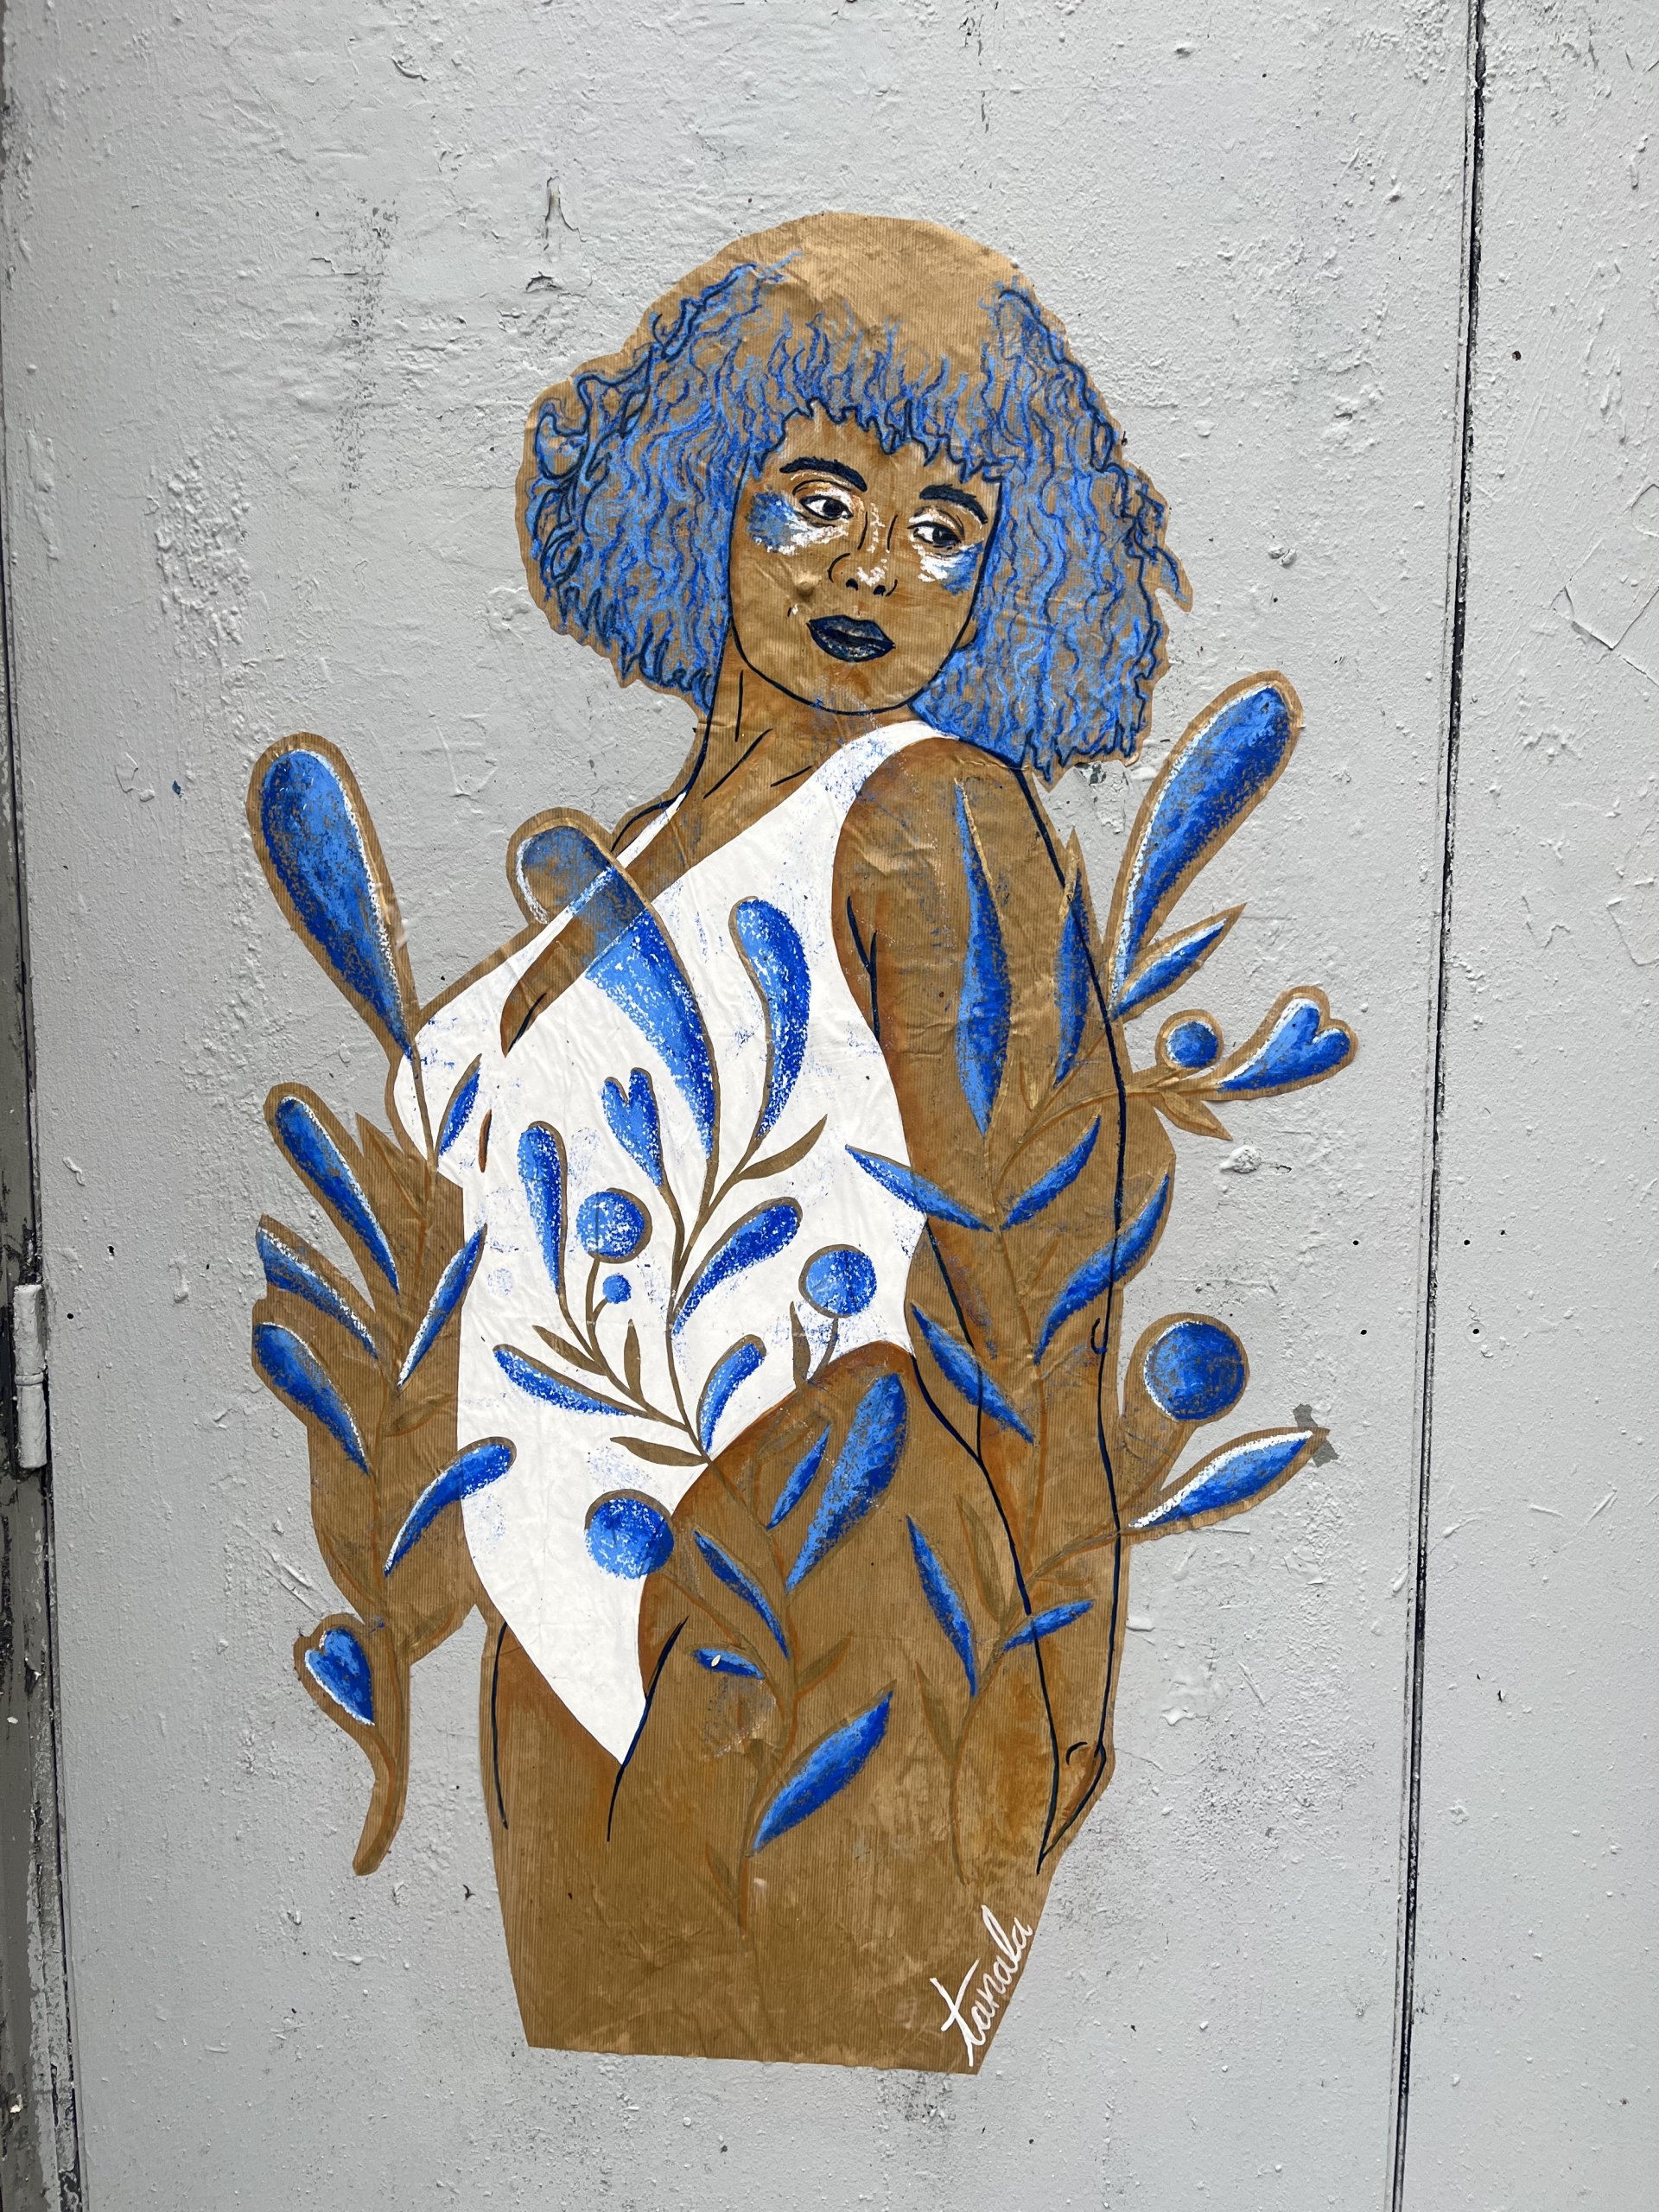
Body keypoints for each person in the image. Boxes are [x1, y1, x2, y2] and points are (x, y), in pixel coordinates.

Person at [253, 210, 1348, 2070]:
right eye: (818, 498)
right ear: (708, 493)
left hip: (829, 1595)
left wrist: (1055, 1692)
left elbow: (1035, 1282)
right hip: (568, 1664)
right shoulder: (628, 857)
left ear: (1012, 575)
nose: (873, 570)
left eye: (946, 528)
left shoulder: (935, 814)